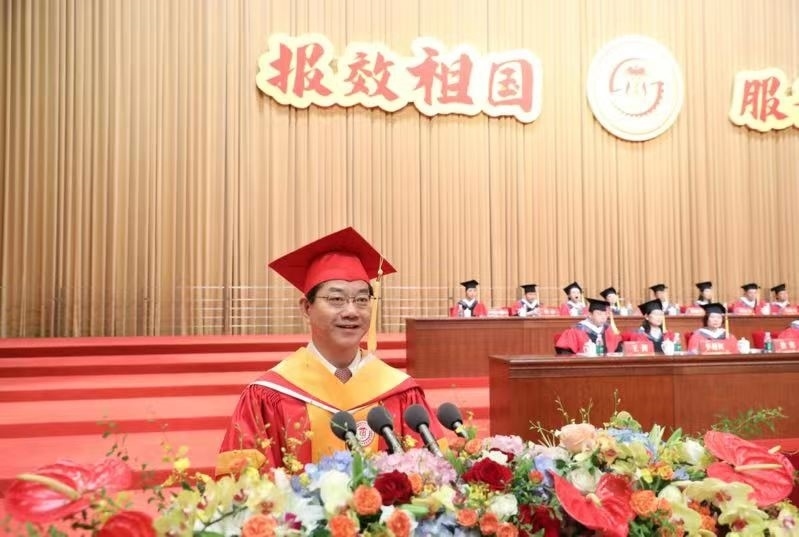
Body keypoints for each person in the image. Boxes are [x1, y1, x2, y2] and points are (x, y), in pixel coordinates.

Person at [217, 227, 443, 474]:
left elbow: (434, 476)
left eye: (362, 300)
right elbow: (243, 486)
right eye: (336, 299)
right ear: (307, 308)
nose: (351, 311)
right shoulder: (268, 395)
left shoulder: (400, 392)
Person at [555, 298, 622, 354]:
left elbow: (619, 350)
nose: (603, 317)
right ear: (590, 315)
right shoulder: (576, 330)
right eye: (599, 314)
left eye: (605, 314)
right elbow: (564, 352)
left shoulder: (609, 330)